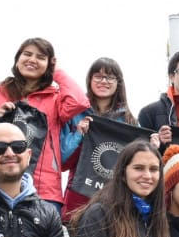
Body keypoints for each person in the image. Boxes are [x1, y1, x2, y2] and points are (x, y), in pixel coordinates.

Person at [0, 38, 89, 210]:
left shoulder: (56, 98)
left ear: (49, 64)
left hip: (44, 190)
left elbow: (79, 102)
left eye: (41, 57)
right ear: (17, 59)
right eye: (27, 54)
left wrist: (56, 71)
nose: (32, 60)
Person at [60, 57, 140, 219]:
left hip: (117, 203)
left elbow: (136, 162)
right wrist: (78, 134)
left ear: (119, 83)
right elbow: (62, 160)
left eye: (110, 77)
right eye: (98, 76)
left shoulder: (129, 121)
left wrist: (151, 145)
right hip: (79, 199)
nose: (104, 81)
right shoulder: (74, 114)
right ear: (89, 80)